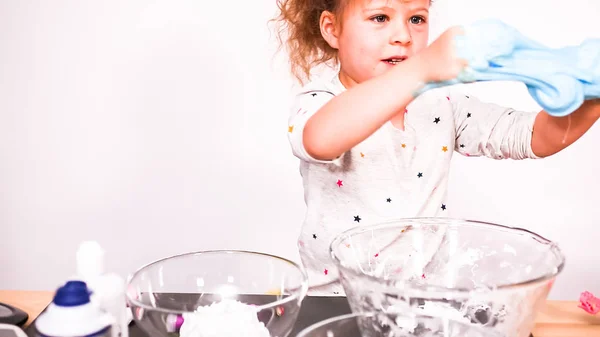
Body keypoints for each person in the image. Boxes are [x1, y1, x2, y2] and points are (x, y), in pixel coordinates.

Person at [271, 0, 600, 295]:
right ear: (332, 29)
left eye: (417, 18)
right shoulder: (321, 101)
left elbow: (531, 137)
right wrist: (422, 68)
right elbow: (320, 140)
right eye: (380, 17)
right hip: (337, 300)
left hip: (423, 301)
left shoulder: (439, 103)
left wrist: (590, 97)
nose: (403, 35)